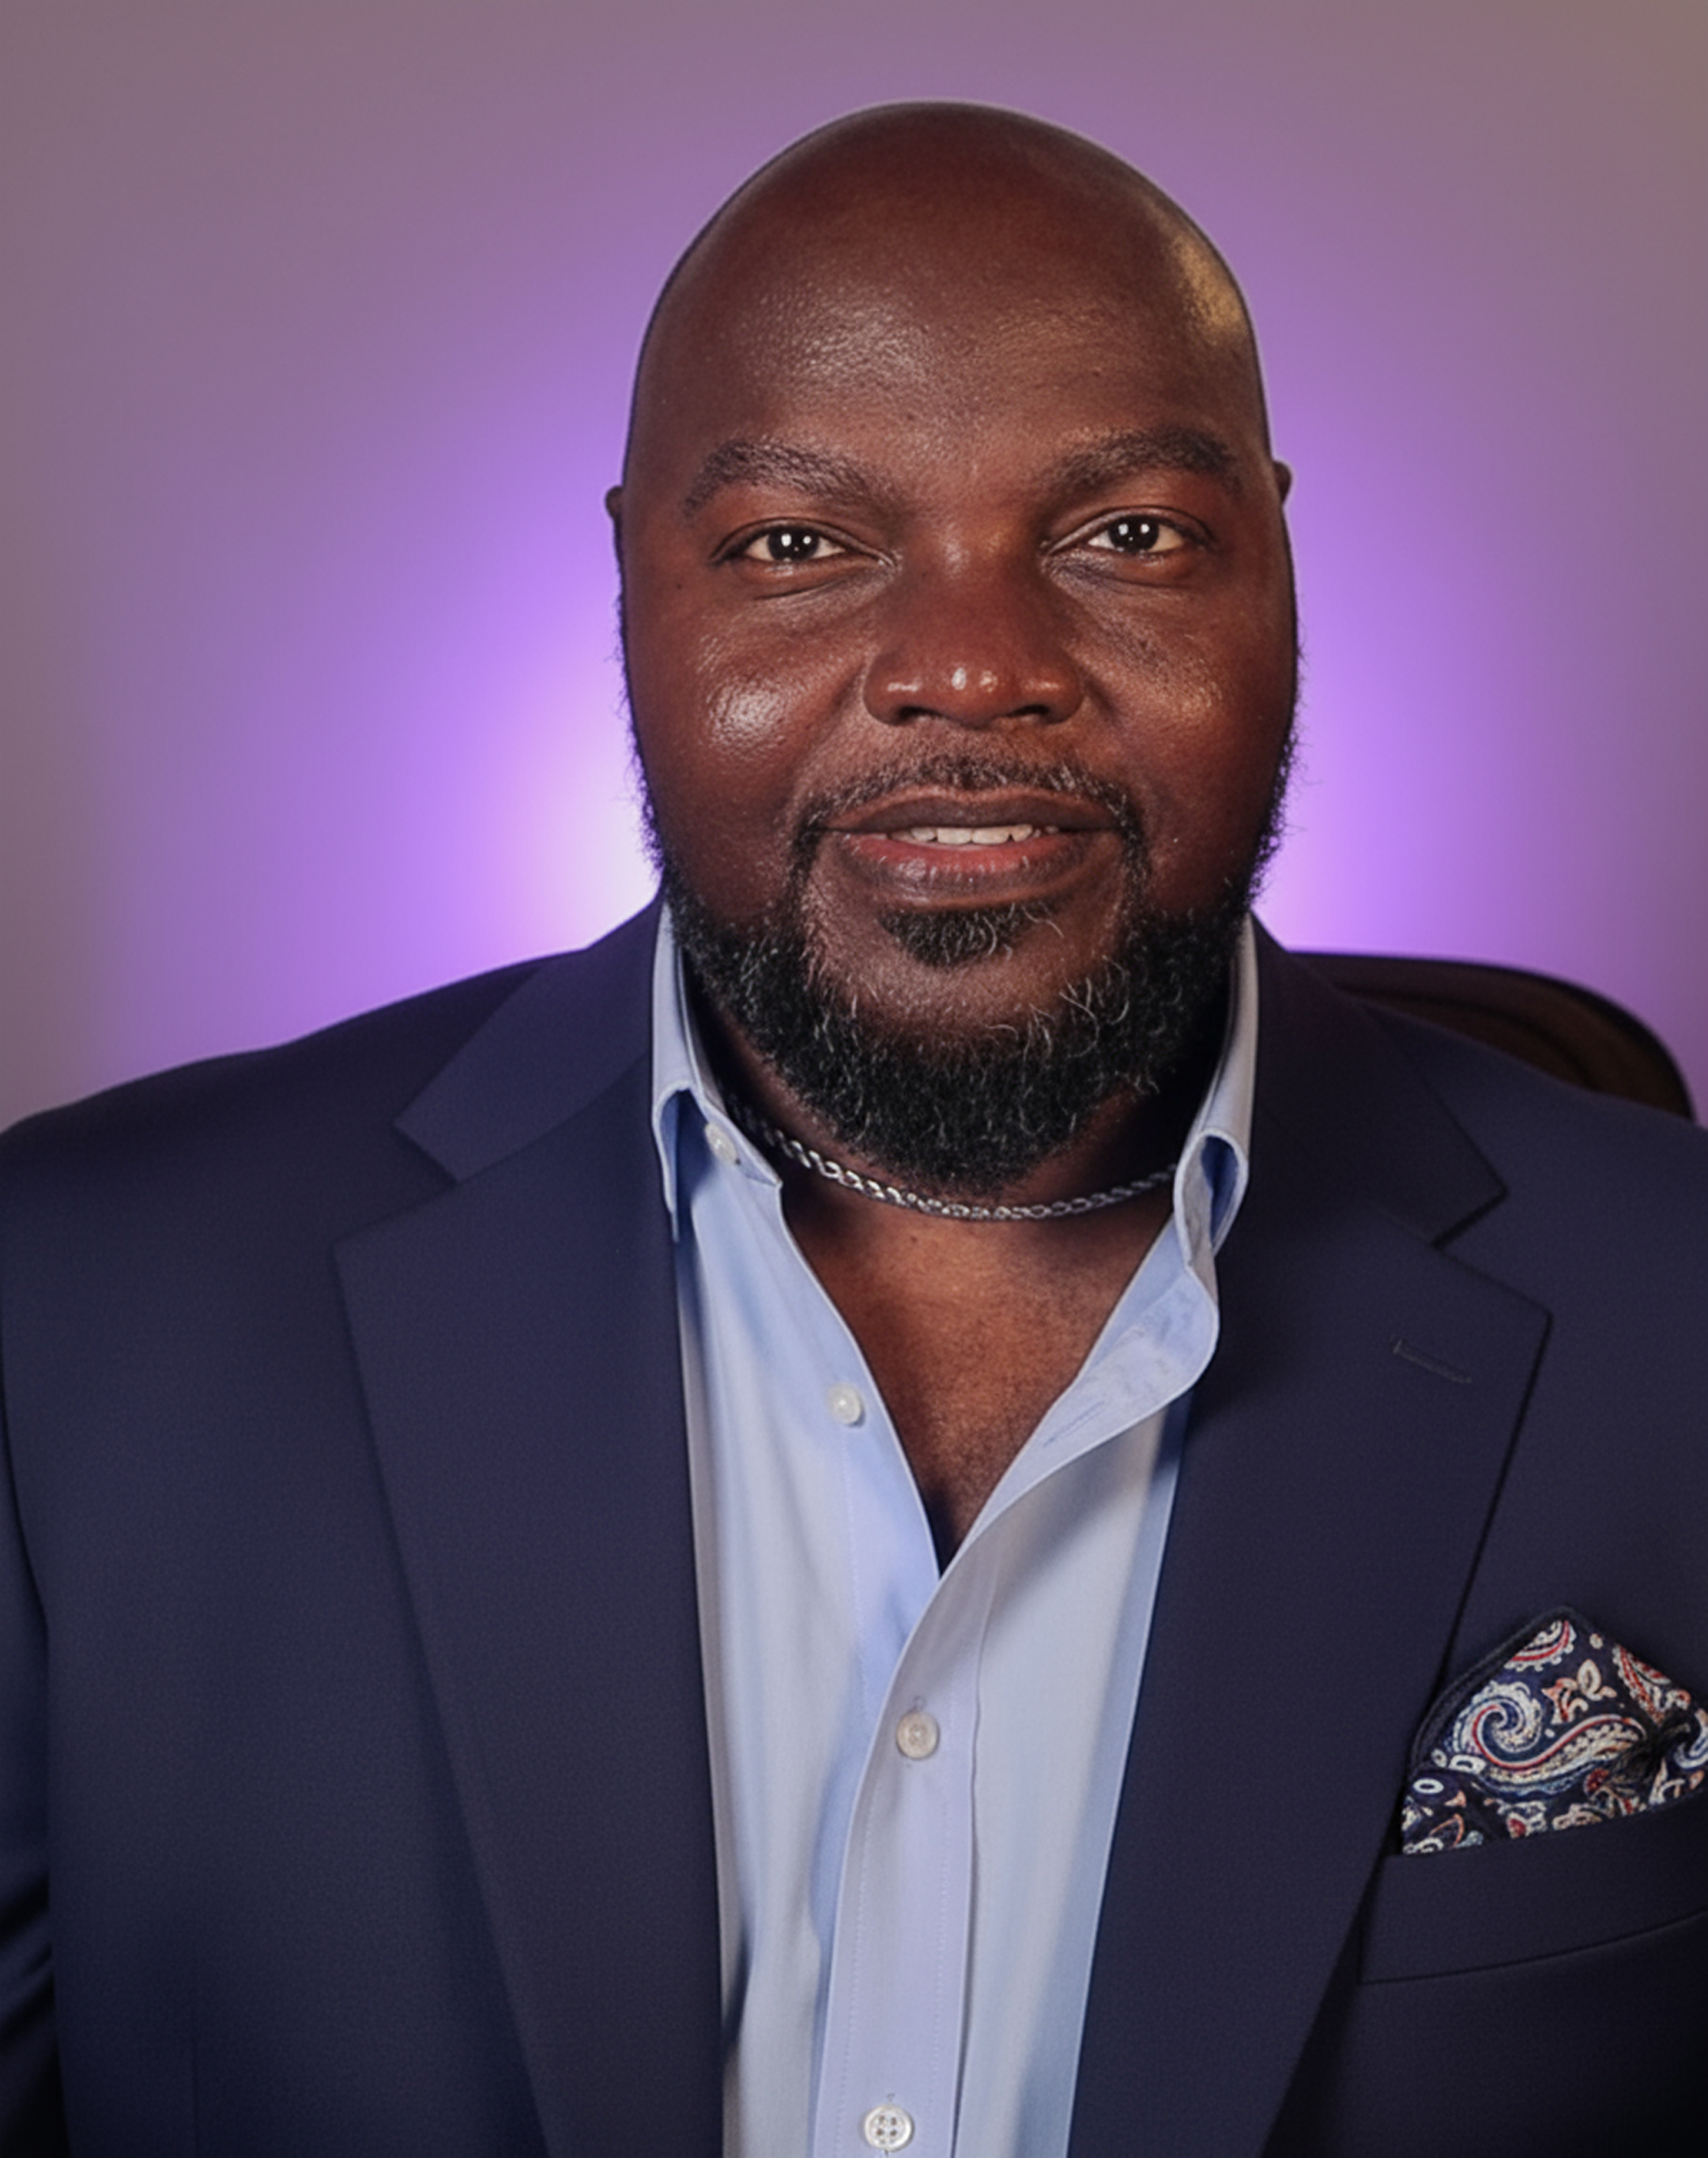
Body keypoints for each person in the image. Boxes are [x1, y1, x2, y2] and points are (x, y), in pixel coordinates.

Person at [2, 102, 1704, 2158]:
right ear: (632, 589)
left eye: (1125, 537)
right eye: (799, 545)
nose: (973, 666)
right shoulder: (73, 1326)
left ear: (1276, 561)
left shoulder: (1674, 1326)